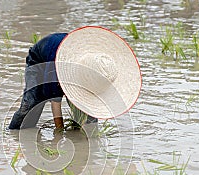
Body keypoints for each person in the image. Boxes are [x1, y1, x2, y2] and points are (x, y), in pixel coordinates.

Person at [8, 26, 142, 130]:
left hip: (73, 61)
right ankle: (13, 133)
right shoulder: (54, 71)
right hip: (40, 62)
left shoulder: (98, 64)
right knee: (31, 106)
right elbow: (55, 103)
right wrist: (59, 135)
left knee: (89, 118)